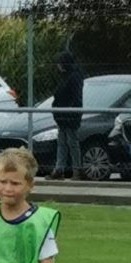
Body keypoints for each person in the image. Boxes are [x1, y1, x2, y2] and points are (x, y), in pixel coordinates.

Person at [46, 51, 83, 181]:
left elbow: (72, 97)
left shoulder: (74, 77)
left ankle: (77, 169)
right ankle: (59, 169)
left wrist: (67, 110)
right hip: (62, 114)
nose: (58, 66)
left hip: (70, 114)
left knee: (72, 142)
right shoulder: (66, 76)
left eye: (59, 63)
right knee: (62, 141)